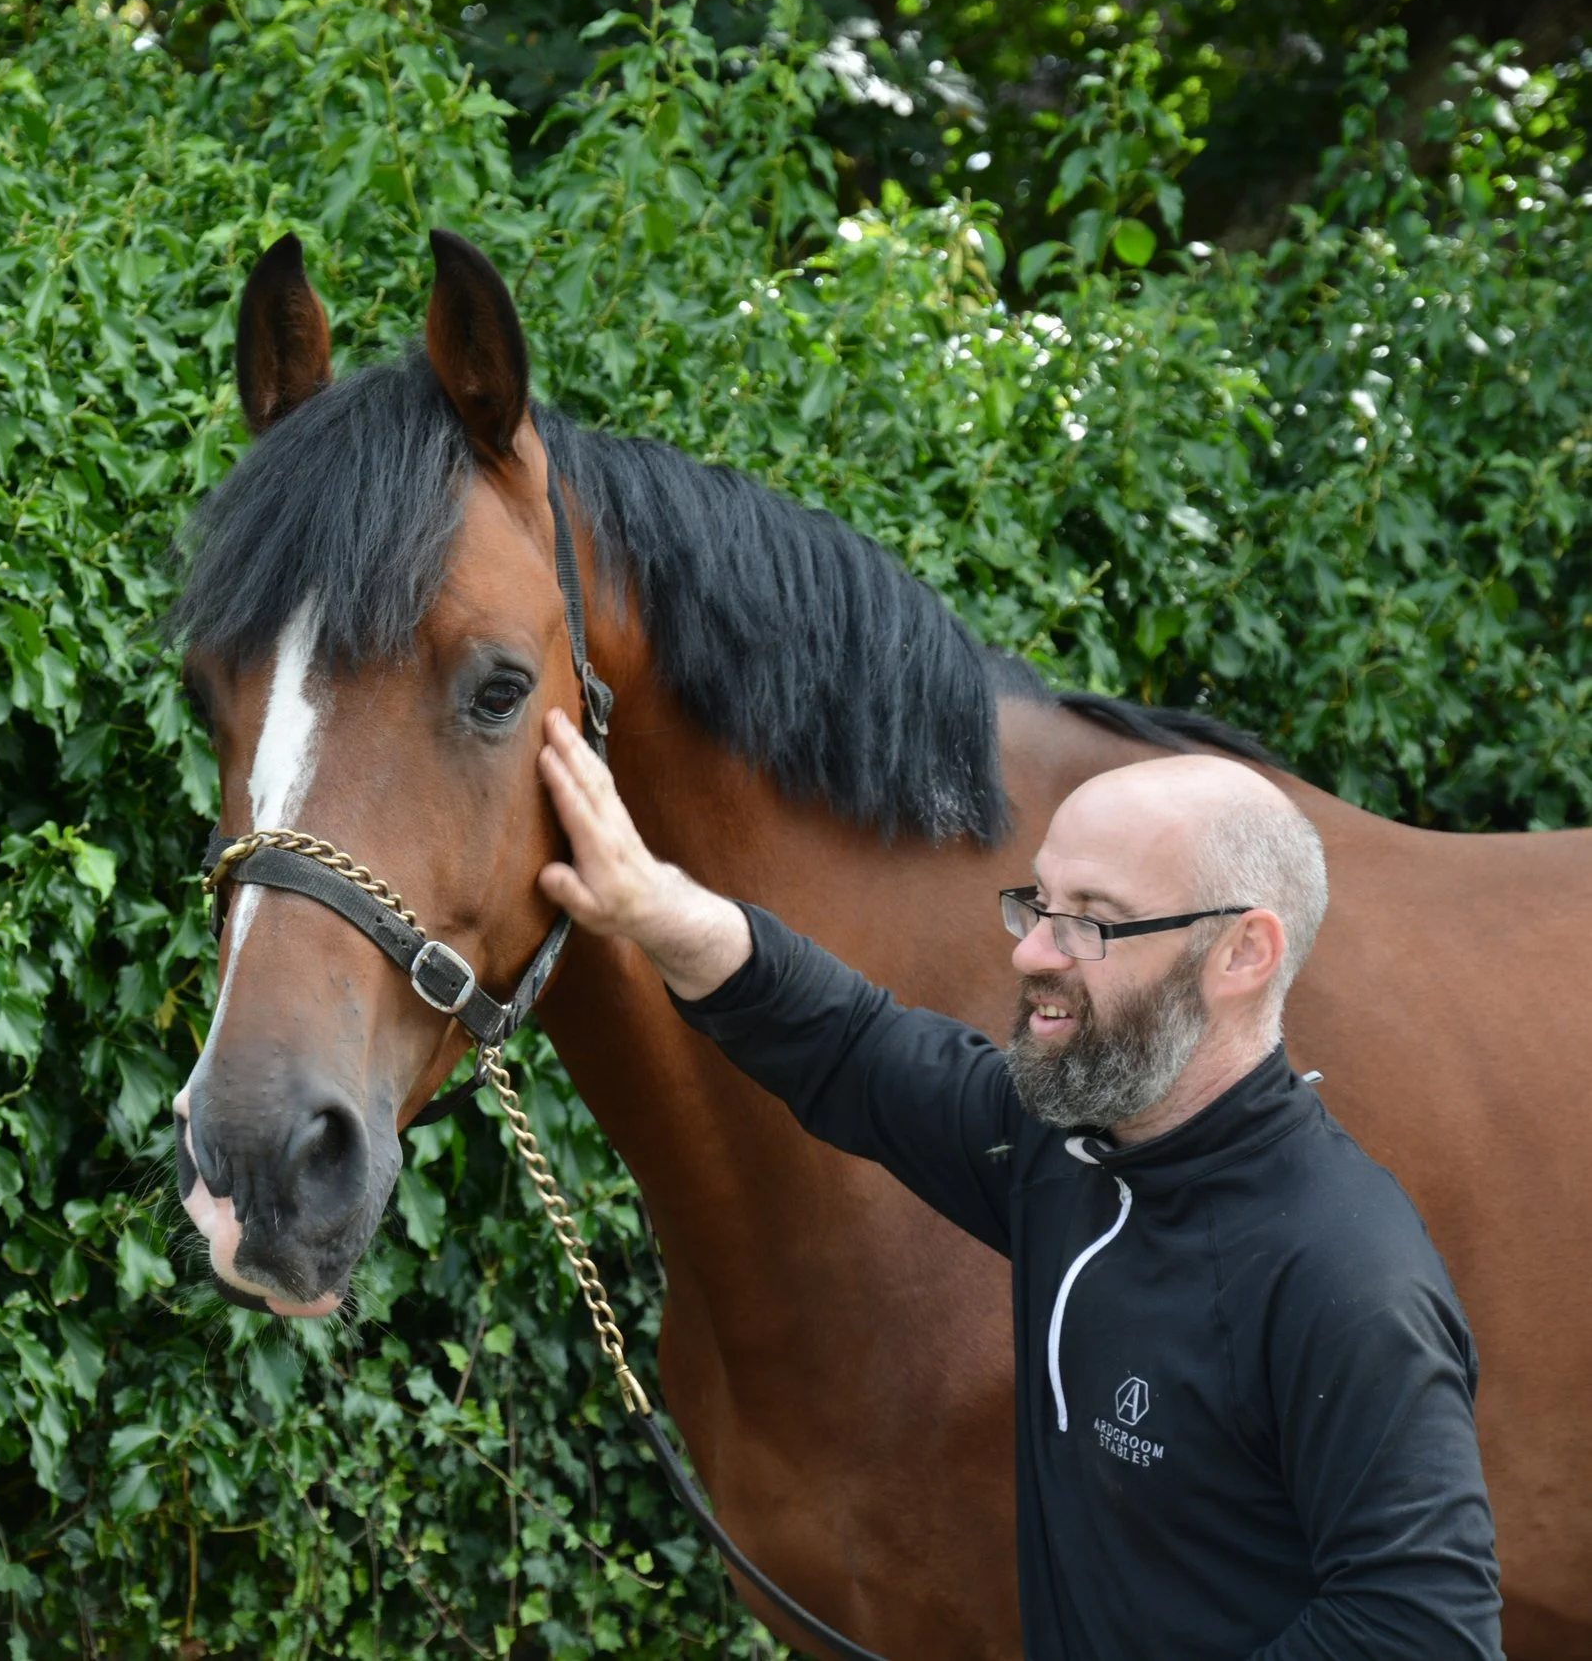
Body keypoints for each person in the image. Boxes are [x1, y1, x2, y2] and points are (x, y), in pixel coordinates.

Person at [533, 709, 1502, 1660]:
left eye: (1091, 923)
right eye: (1038, 905)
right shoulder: (1061, 1152)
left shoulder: (1343, 1273)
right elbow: (850, 1047)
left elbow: (1423, 1629)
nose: (1031, 952)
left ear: (1241, 953)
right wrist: (655, 908)